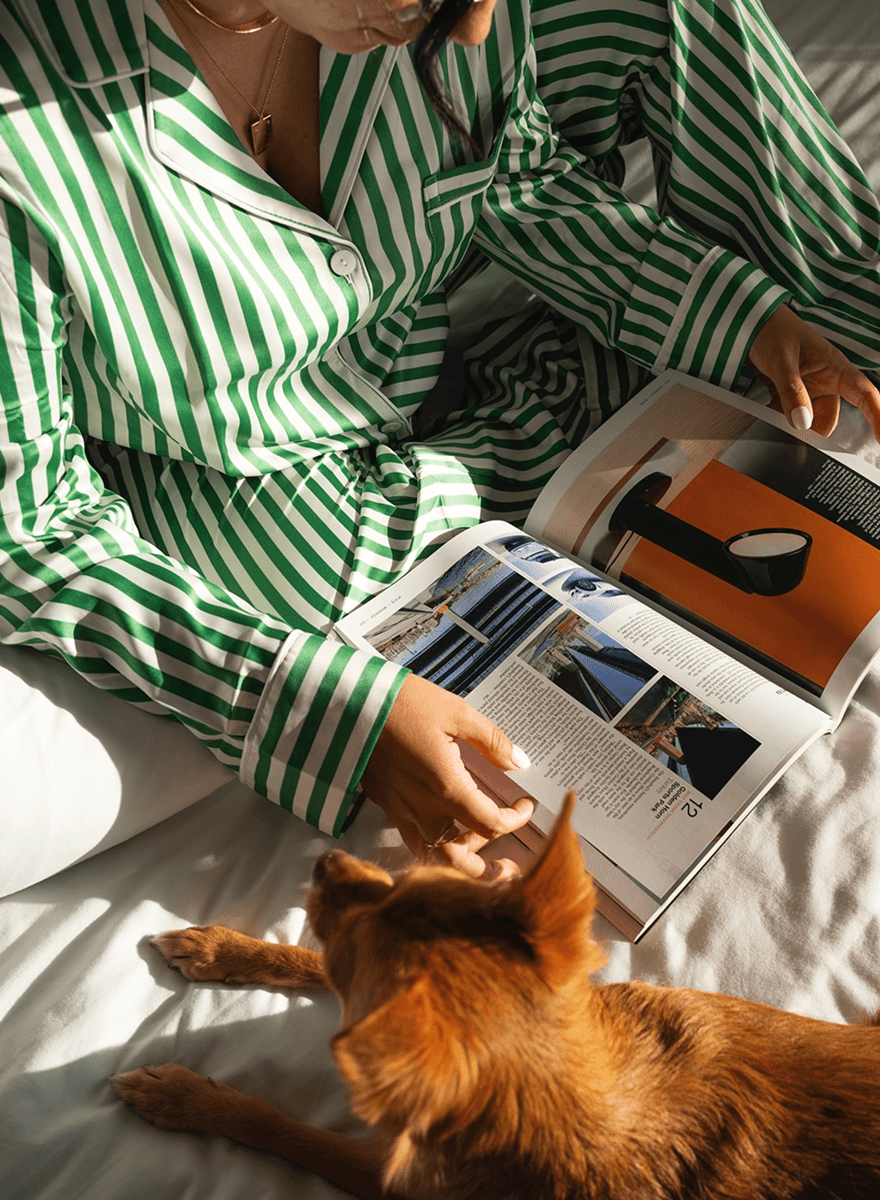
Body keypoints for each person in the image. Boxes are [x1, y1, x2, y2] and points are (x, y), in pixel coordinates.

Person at [1, 0, 879, 878]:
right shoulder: (27, 138)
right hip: (259, 468)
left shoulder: (439, 21)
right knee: (299, 566)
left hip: (440, 353)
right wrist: (332, 715)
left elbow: (513, 177)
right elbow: (31, 525)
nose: (476, 28)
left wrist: (735, 313)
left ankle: (802, 329)